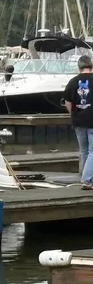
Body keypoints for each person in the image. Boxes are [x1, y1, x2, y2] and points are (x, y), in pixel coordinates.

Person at [64, 54, 93, 189]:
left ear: (79, 68)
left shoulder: (72, 81)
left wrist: (73, 114)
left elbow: (67, 102)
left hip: (78, 120)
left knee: (83, 151)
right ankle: (87, 180)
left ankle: (83, 175)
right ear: (91, 67)